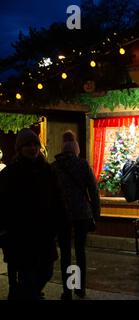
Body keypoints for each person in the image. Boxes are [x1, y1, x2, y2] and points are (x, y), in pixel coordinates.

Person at [0, 128, 62, 300]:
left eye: (35, 144)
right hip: (20, 235)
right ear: (20, 148)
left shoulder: (47, 171)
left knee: (46, 271)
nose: (33, 148)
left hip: (44, 233)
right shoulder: (10, 173)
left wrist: (58, 224)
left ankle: (24, 294)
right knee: (27, 275)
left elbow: (57, 199)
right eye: (28, 145)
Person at [52, 130, 100, 300]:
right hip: (82, 214)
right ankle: (79, 287)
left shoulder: (54, 166)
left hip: (62, 214)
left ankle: (67, 291)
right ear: (76, 149)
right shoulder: (83, 164)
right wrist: (96, 213)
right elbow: (93, 191)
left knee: (65, 252)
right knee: (80, 251)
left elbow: (51, 194)